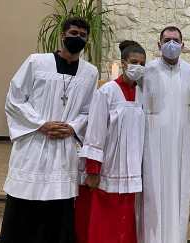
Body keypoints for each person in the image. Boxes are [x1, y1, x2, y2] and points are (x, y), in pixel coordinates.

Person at [0, 17, 98, 243]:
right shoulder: (36, 62)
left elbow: (89, 110)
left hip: (63, 149)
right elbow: (14, 100)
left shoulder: (90, 72)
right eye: (74, 33)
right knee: (23, 206)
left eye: (83, 36)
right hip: (33, 145)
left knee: (59, 209)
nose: (78, 39)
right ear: (62, 35)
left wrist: (71, 127)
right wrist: (40, 123)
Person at [138, 26, 190, 243]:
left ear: (183, 45)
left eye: (176, 40)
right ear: (158, 45)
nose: (171, 44)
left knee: (179, 196)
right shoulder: (146, 72)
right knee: (153, 197)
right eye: (167, 40)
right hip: (152, 147)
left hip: (181, 147)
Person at [74, 40, 146, 243]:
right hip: (109, 168)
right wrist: (93, 169)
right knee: (106, 223)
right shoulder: (107, 92)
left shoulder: (143, 93)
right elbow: (95, 132)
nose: (137, 67)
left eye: (142, 63)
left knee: (127, 222)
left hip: (133, 170)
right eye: (134, 62)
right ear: (123, 63)